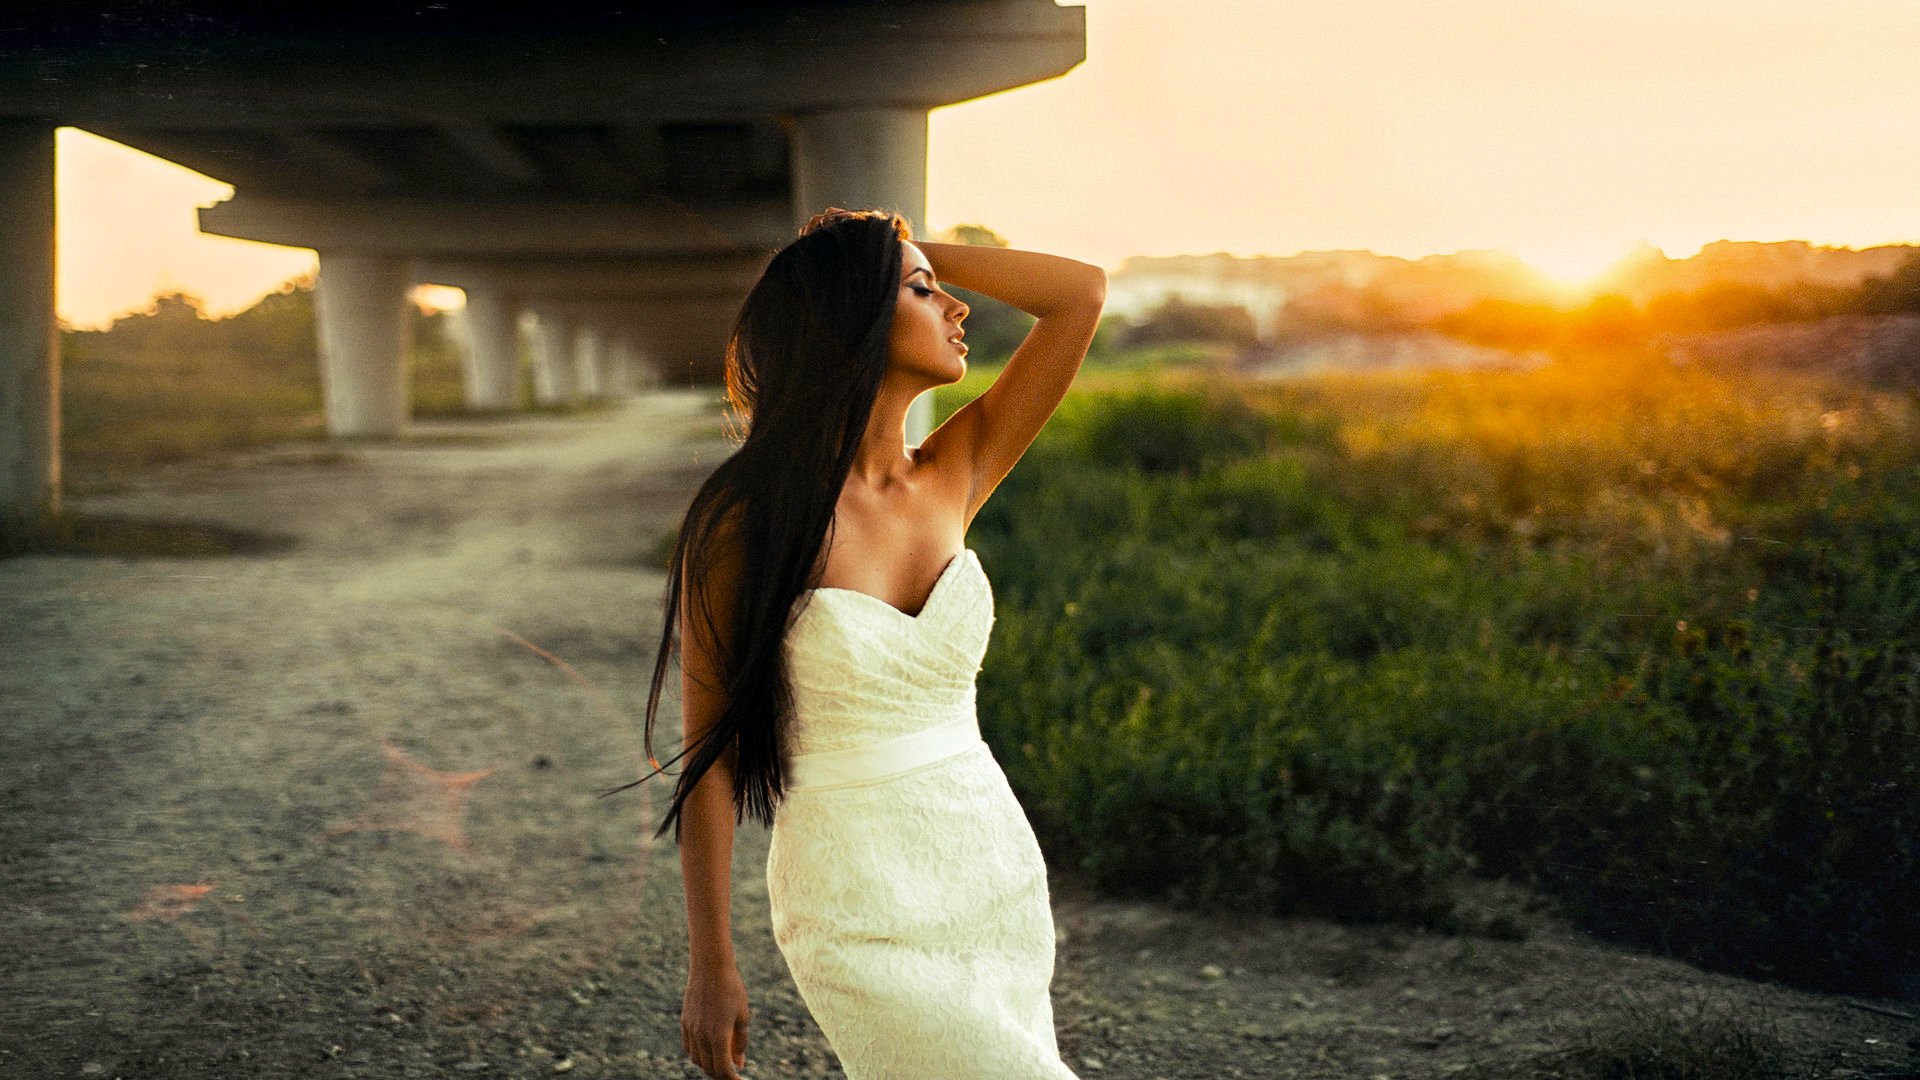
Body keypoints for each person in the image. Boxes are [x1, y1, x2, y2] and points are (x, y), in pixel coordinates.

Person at [604, 206, 1105, 1078]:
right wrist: (711, 964)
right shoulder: (747, 519)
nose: (959, 309)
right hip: (852, 896)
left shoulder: (957, 468)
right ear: (852, 316)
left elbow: (1079, 294)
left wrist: (896, 252)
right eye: (923, 292)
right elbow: (710, 758)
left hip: (988, 866)